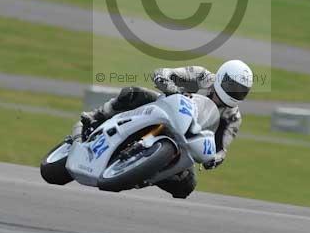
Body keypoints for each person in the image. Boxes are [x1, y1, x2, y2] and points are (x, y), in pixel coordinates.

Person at [73, 60, 253, 199]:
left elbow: (222, 148)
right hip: (166, 110)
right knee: (132, 93)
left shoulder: (233, 118)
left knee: (186, 187)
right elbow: (164, 73)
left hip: (186, 142)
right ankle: (96, 116)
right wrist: (172, 89)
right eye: (232, 86)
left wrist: (214, 159)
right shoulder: (201, 77)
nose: (234, 92)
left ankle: (143, 172)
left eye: (240, 91)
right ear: (221, 77)